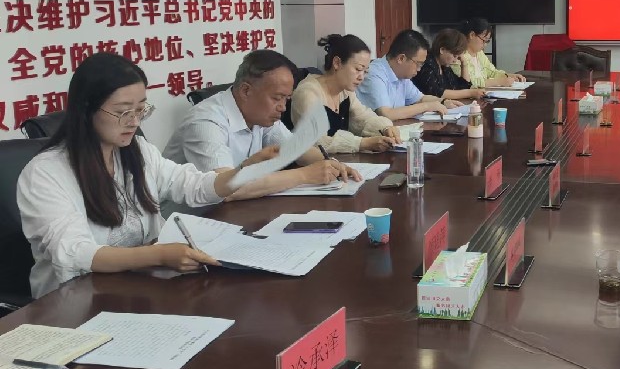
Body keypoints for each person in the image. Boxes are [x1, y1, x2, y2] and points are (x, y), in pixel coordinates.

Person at [17, 54, 248, 297]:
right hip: (76, 298)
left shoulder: (137, 150)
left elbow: (192, 185)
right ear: (86, 109)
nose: (135, 122)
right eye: (123, 112)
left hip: (141, 285)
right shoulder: (45, 173)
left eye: (140, 110)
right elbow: (74, 252)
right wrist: (159, 255)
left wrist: (246, 172)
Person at [164, 49, 359, 197]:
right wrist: (305, 175)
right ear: (246, 91)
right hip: (183, 224)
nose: (283, 107)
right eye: (277, 98)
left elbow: (297, 150)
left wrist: (333, 165)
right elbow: (226, 189)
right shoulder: (206, 122)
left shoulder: (261, 114)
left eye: (286, 99)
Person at [290, 34, 401, 154]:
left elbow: (362, 117)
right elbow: (316, 142)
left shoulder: (345, 91)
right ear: (337, 63)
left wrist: (385, 128)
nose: (361, 77)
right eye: (358, 69)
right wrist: (362, 143)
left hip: (340, 161)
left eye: (365, 71)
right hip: (313, 163)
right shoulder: (308, 94)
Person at [355, 29, 456, 121]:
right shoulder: (374, 74)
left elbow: (420, 99)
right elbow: (386, 114)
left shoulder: (401, 75)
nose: (419, 69)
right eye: (418, 64)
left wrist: (443, 102)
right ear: (401, 59)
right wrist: (427, 106)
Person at [413, 29, 487, 102]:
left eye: (458, 56)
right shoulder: (427, 64)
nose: (455, 60)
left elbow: (463, 86)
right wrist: (470, 93)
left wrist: (464, 63)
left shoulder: (444, 66)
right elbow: (436, 93)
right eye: (454, 56)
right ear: (442, 50)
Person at [450, 17, 526, 88]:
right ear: (472, 35)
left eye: (487, 41)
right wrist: (498, 82)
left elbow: (492, 72)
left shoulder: (479, 53)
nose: (485, 45)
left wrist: (508, 76)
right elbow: (469, 83)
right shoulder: (457, 55)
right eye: (484, 40)